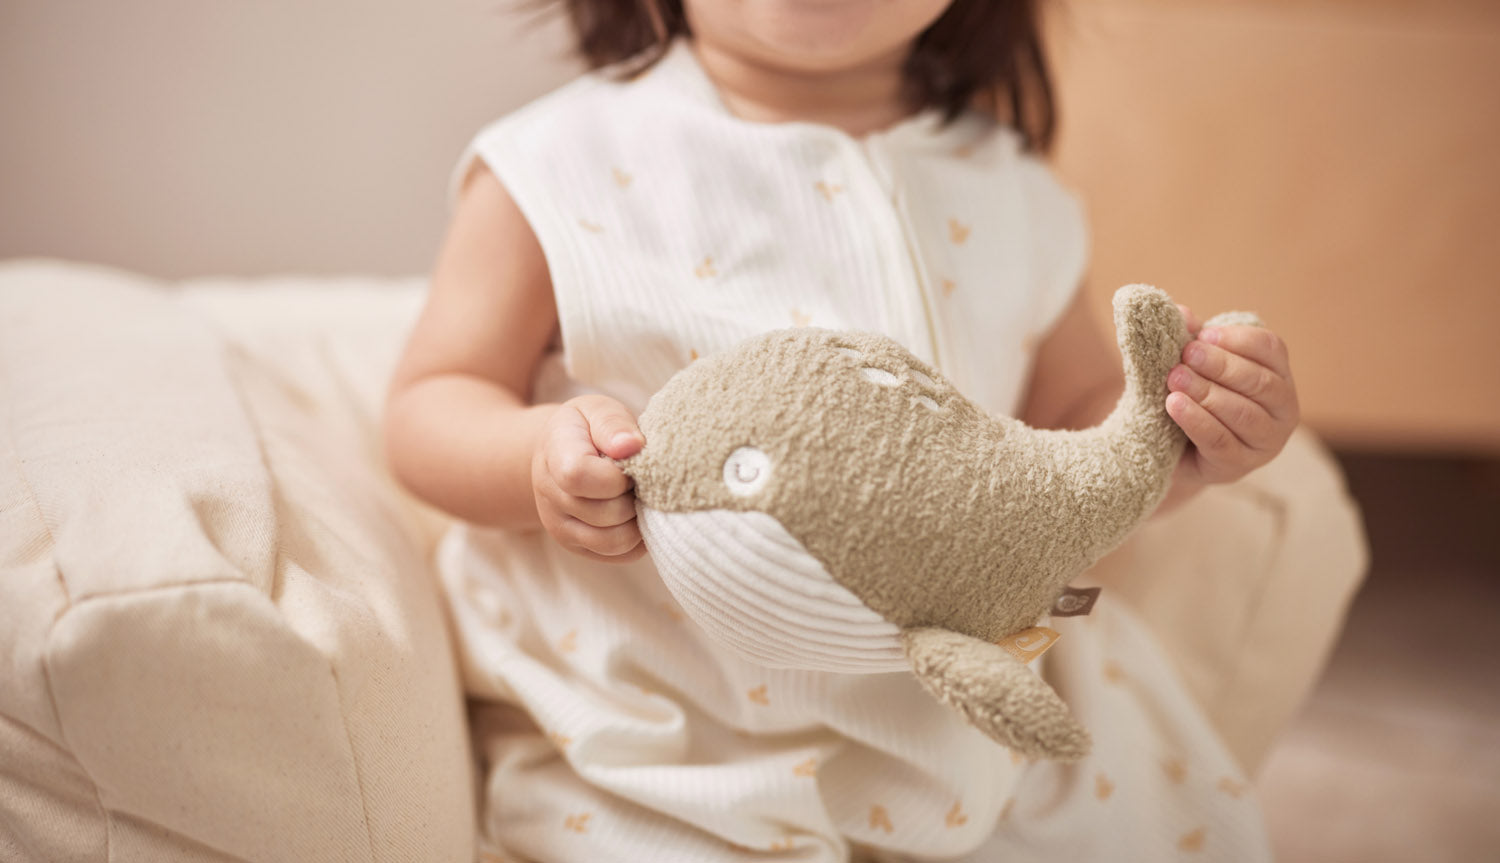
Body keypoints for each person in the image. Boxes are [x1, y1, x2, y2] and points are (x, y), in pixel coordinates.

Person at [384, 1, 1299, 860]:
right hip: (662, 734)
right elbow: (434, 397)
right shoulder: (561, 160)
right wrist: (541, 457)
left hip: (955, 716)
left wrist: (1185, 437)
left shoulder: (1010, 187)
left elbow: (1073, 438)